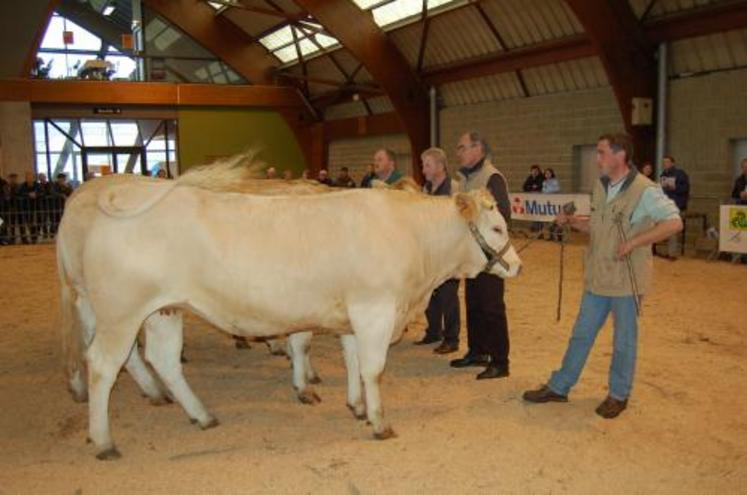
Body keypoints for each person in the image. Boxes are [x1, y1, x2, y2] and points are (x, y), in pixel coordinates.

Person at [523, 133, 683, 419]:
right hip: (598, 276)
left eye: (601, 153)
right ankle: (560, 386)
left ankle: (618, 394)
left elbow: (674, 222)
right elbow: (597, 226)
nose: (597, 159)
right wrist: (573, 222)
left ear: (620, 156)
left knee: (624, 340)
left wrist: (635, 242)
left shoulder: (645, 190)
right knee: (581, 334)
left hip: (627, 279)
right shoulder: (600, 186)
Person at [450, 131, 512, 380]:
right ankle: (478, 351)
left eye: (462, 147)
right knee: (473, 303)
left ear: (478, 149)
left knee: (492, 306)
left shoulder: (492, 177)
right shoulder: (464, 180)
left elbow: (504, 215)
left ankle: (500, 361)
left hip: (489, 255)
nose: (459, 152)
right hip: (471, 254)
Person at [415, 147, 461, 354]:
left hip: (449, 251)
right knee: (430, 293)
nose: (423, 169)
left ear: (441, 166)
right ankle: (434, 331)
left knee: (448, 296)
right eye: (423, 165)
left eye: (427, 165)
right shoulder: (425, 189)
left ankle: (452, 339)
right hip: (431, 251)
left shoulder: (454, 188)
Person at [659, 155, 689, 260]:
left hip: (677, 206)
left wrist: (673, 186)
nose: (665, 164)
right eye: (664, 162)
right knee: (668, 230)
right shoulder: (663, 175)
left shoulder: (680, 174)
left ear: (673, 163)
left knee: (672, 230)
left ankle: (672, 254)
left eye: (667, 162)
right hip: (666, 206)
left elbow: (685, 189)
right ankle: (670, 252)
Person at [16, 172, 42, 244]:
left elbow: (42, 193)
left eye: (31, 177)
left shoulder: (38, 185)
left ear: (33, 178)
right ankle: (25, 239)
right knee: (27, 223)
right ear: (26, 178)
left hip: (37, 207)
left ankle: (34, 238)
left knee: (37, 223)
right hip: (25, 208)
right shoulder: (22, 186)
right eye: (28, 177)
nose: (29, 179)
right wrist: (28, 195)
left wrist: (36, 194)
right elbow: (19, 194)